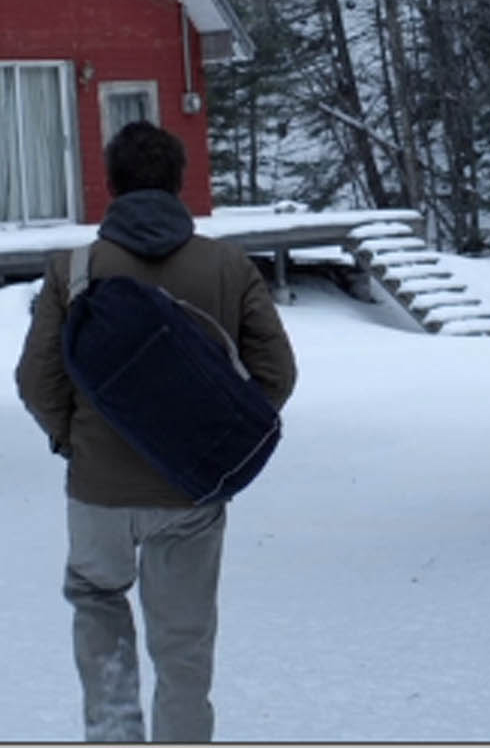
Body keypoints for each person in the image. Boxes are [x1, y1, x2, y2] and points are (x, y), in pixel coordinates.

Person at [16, 121, 297, 743]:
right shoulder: (227, 266)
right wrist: (218, 436)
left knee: (96, 601)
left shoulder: (75, 269)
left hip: (97, 492)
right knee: (185, 645)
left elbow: (38, 382)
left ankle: (114, 735)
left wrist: (75, 442)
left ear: (111, 186)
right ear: (179, 184)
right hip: (191, 493)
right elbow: (277, 373)